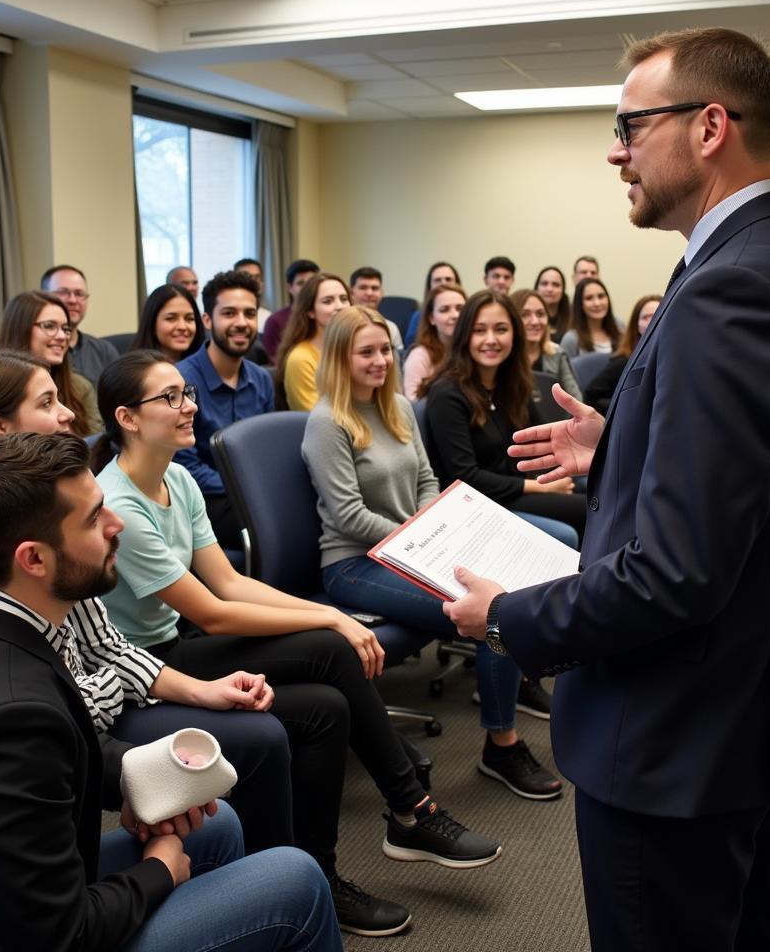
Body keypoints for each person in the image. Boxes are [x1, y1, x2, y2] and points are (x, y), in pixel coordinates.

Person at [441, 27, 770, 952]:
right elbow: (768, 476)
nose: (616, 148)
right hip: (747, 718)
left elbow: (675, 574)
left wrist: (509, 619)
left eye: (631, 124)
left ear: (710, 125)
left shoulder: (734, 289)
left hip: (681, 738)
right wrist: (623, 444)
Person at [0, 430, 342, 952]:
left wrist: (140, 780)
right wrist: (157, 872)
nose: (117, 524)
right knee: (296, 880)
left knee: (215, 829)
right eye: (92, 519)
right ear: (33, 559)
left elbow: (61, 749)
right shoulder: (6, 713)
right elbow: (60, 936)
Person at [92, 350, 502, 937]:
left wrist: (325, 614)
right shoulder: (120, 504)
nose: (189, 407)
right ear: (127, 418)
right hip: (147, 669)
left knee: (327, 708)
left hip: (177, 645)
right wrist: (333, 621)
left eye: (187, 393)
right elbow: (212, 612)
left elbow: (231, 580)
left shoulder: (176, 479)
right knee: (330, 647)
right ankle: (411, 808)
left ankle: (322, 874)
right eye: (171, 399)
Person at [0, 348, 293, 854]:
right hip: (30, 733)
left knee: (258, 732)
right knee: (260, 741)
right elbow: (5, 686)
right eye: (47, 403)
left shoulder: (47, 505)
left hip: (74, 707)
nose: (67, 413)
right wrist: (108, 691)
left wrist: (201, 691)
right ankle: (274, 890)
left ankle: (264, 888)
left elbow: (103, 643)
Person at [304, 306, 563, 800]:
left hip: (413, 548)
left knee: (502, 593)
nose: (381, 360)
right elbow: (347, 517)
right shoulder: (326, 423)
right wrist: (416, 541)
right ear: (341, 357)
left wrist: (431, 532)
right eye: (367, 352)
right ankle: (502, 746)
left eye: (385, 350)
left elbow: (427, 480)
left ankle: (507, 721)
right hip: (354, 564)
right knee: (492, 615)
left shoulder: (398, 407)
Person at [423, 291, 585, 545]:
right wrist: (541, 487)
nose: (491, 339)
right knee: (589, 510)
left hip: (513, 489)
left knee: (600, 494)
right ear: (465, 335)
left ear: (514, 335)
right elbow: (465, 476)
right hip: (475, 503)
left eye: (501, 329)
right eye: (479, 330)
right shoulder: (446, 393)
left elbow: (542, 437)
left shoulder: (511, 383)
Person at [174, 269, 273, 549]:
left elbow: (264, 453)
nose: (242, 323)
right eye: (229, 313)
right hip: (203, 501)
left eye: (249, 314)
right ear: (207, 319)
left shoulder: (261, 378)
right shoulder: (181, 381)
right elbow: (186, 469)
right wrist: (249, 485)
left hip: (250, 494)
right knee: (274, 528)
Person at [0, 290, 102, 436]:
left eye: (66, 328)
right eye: (49, 326)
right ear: (21, 329)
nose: (62, 336)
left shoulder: (80, 387)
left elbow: (96, 446)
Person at [274, 272, 350, 411]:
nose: (340, 306)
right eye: (328, 301)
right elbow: (318, 419)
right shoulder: (301, 358)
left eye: (344, 299)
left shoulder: (353, 349)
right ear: (310, 311)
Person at [41, 264, 120, 386]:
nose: (73, 300)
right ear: (43, 296)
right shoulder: (37, 350)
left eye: (79, 293)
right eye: (63, 292)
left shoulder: (104, 352)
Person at [583, 294, 661, 413]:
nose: (652, 321)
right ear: (637, 326)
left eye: (657, 314)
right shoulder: (625, 360)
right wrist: (625, 410)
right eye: (646, 317)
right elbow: (592, 394)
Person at [512, 288, 582, 400]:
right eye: (524, 315)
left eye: (540, 314)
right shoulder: (503, 358)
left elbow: (576, 398)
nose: (535, 321)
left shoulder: (557, 353)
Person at [402, 284, 466, 400]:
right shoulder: (420, 355)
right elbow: (414, 405)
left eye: (460, 308)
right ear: (431, 318)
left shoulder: (475, 351)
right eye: (444, 310)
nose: (455, 315)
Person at [262, 258, 319, 363]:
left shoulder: (326, 316)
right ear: (290, 288)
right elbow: (276, 362)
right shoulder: (275, 321)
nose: (307, 288)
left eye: (311, 282)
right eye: (300, 283)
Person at [132, 283, 204, 365]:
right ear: (152, 325)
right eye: (171, 319)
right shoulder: (135, 373)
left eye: (189, 319)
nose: (182, 327)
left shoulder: (206, 366)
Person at [559, 277, 622, 357]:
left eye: (601, 296)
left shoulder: (620, 330)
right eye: (589, 298)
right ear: (580, 304)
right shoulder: (571, 339)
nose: (597, 303)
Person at [403, 261, 461, 346]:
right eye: (437, 280)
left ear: (457, 284)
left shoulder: (470, 312)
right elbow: (410, 346)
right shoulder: (418, 317)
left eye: (448, 279)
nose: (443, 283)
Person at [349, 267, 403, 354]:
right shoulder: (339, 327)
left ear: (382, 293)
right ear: (351, 293)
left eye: (374, 288)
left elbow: (397, 363)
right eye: (363, 287)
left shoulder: (391, 328)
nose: (369, 293)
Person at [233, 257, 272, 332]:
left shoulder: (270, 318)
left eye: (257, 277)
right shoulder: (226, 315)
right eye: (247, 277)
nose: (253, 282)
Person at [533, 266, 571, 340]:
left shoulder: (573, 319)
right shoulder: (528, 318)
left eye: (555, 285)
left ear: (563, 290)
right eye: (544, 284)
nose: (549, 289)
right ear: (536, 288)